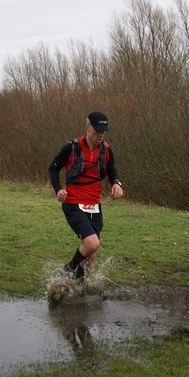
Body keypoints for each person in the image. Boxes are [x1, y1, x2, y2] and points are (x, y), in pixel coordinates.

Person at [48, 111, 124, 284]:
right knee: (91, 244)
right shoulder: (71, 147)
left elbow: (112, 172)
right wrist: (58, 190)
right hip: (73, 203)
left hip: (94, 204)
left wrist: (117, 184)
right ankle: (67, 270)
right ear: (87, 127)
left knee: (92, 253)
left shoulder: (106, 150)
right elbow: (53, 168)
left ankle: (77, 288)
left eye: (103, 132)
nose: (100, 135)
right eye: (97, 131)